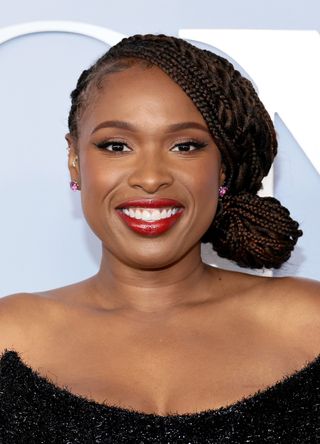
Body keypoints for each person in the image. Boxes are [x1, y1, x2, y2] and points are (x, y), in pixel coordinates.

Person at [0, 33, 319, 443]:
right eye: (116, 146)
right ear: (75, 161)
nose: (150, 177)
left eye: (186, 146)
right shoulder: (11, 336)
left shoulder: (310, 324)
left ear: (221, 168)